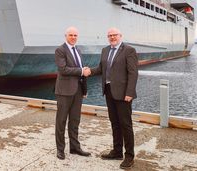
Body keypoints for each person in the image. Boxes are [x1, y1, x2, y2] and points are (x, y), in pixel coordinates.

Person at [89, 27, 138, 169]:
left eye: (114, 35)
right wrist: (87, 71)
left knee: (126, 124)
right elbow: (100, 69)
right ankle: (117, 152)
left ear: (120, 36)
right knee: (114, 123)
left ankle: (129, 156)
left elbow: (133, 73)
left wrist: (130, 92)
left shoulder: (129, 50)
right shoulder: (105, 50)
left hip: (123, 93)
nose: (112, 37)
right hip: (109, 91)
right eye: (109, 35)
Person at [54, 26, 91, 160]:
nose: (73, 37)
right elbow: (63, 69)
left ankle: (75, 147)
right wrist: (81, 71)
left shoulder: (78, 51)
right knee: (61, 121)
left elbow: (81, 72)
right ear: (66, 36)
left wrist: (84, 90)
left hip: (77, 91)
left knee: (75, 121)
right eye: (71, 35)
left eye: (75, 35)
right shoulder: (60, 50)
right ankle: (60, 149)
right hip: (64, 91)